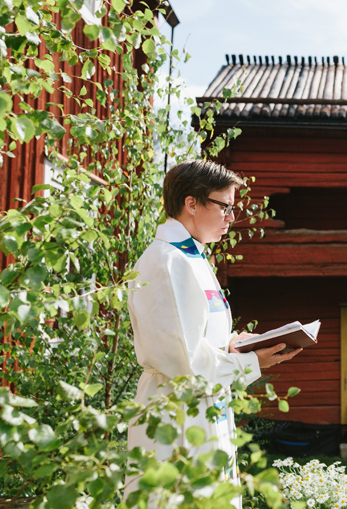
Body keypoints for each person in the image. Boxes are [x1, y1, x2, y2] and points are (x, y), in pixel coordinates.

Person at [126, 160, 302, 507]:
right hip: (176, 413)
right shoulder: (167, 261)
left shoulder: (193, 258)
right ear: (191, 203)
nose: (231, 218)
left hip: (205, 406)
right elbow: (183, 361)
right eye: (224, 206)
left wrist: (233, 346)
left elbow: (195, 337)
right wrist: (251, 362)